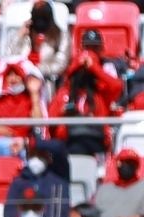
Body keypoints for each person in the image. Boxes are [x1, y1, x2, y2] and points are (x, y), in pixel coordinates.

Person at [47, 29, 122, 158]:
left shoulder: (101, 92)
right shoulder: (65, 92)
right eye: (87, 48)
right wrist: (63, 113)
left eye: (94, 48)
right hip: (68, 145)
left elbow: (118, 86)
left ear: (101, 49)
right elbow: (50, 121)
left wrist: (94, 67)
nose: (90, 52)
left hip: (96, 145)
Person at [2, 0, 70, 86]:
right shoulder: (25, 32)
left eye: (43, 17)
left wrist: (36, 70)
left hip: (46, 82)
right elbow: (8, 57)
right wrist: (19, 36)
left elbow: (61, 64)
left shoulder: (60, 35)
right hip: (21, 81)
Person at [3, 140, 69, 217]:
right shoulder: (18, 182)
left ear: (48, 158)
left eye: (40, 156)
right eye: (32, 155)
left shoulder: (58, 182)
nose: (36, 159)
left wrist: (29, 143)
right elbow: (8, 212)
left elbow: (62, 214)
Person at [94, 148, 144, 217]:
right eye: (123, 162)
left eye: (130, 163)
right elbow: (94, 213)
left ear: (136, 166)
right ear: (117, 163)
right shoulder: (104, 189)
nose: (126, 165)